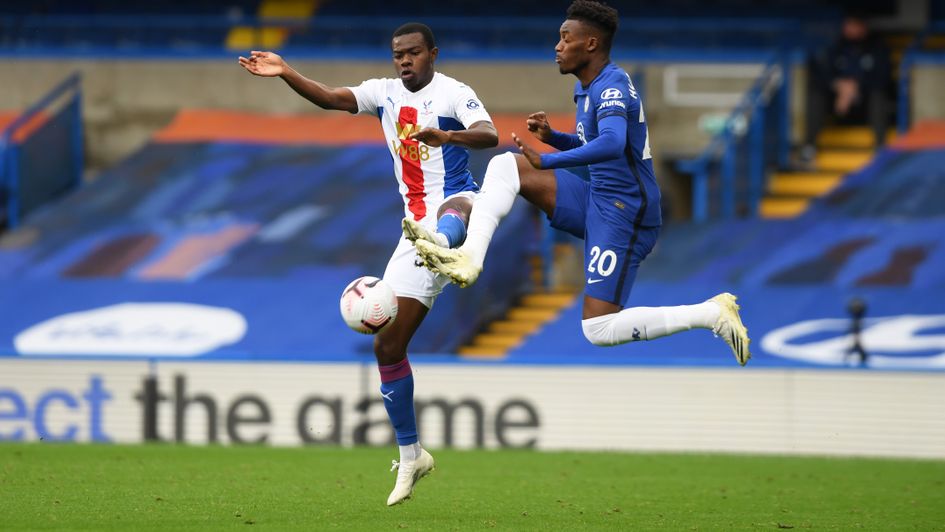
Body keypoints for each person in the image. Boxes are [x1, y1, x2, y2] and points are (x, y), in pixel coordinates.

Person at [239, 23, 498, 506]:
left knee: (454, 213)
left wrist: (448, 136)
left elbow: (489, 133)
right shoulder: (382, 93)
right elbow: (331, 98)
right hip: (412, 229)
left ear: (432, 54)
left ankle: (443, 244)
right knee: (388, 344)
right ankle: (413, 454)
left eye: (414, 53)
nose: (405, 61)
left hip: (457, 202)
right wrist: (286, 72)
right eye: (398, 54)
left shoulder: (454, 94)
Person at [409, 0, 751, 364]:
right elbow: (598, 144)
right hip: (597, 198)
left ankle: (710, 314)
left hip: (625, 214)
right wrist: (554, 137)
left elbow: (613, 143)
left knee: (598, 328)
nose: (557, 46)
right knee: (507, 166)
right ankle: (469, 258)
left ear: (590, 44)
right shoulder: (589, 88)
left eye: (565, 37)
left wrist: (549, 159)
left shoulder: (612, 85)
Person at [802, 12, 891, 164]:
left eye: (856, 24)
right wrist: (839, 86)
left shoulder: (877, 46)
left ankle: (880, 149)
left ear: (864, 27)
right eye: (848, 24)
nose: (851, 28)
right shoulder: (836, 45)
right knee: (816, 93)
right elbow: (822, 73)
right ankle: (809, 148)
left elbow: (882, 77)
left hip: (864, 105)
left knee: (878, 95)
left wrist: (855, 88)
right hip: (838, 105)